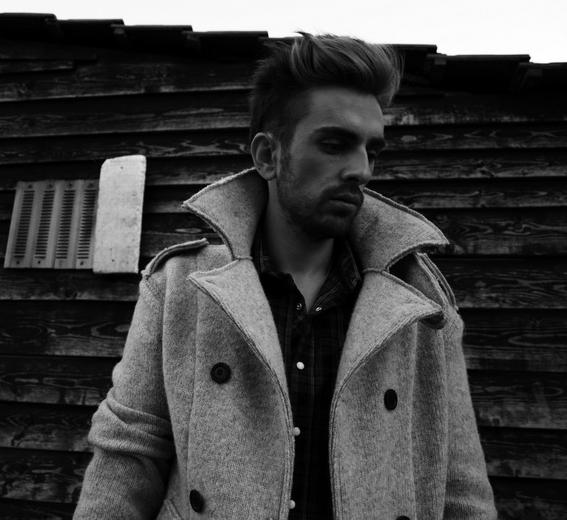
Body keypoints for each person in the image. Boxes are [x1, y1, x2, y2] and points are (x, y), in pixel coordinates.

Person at [74, 33, 496, 519]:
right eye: (335, 144)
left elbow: (460, 487)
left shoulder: (422, 304)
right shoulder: (179, 286)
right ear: (268, 157)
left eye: (372, 151)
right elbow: (128, 458)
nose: (361, 170)